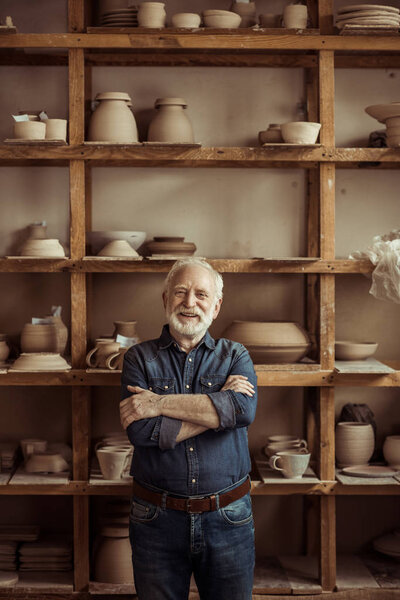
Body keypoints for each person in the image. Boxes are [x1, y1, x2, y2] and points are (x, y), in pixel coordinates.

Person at [120, 257, 258, 600]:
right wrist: (217, 408)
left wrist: (159, 403)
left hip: (229, 517)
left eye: (200, 294)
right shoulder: (138, 358)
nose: (189, 302)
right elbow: (140, 432)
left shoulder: (235, 355)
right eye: (180, 292)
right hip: (156, 519)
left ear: (216, 306)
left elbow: (242, 410)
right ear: (166, 299)